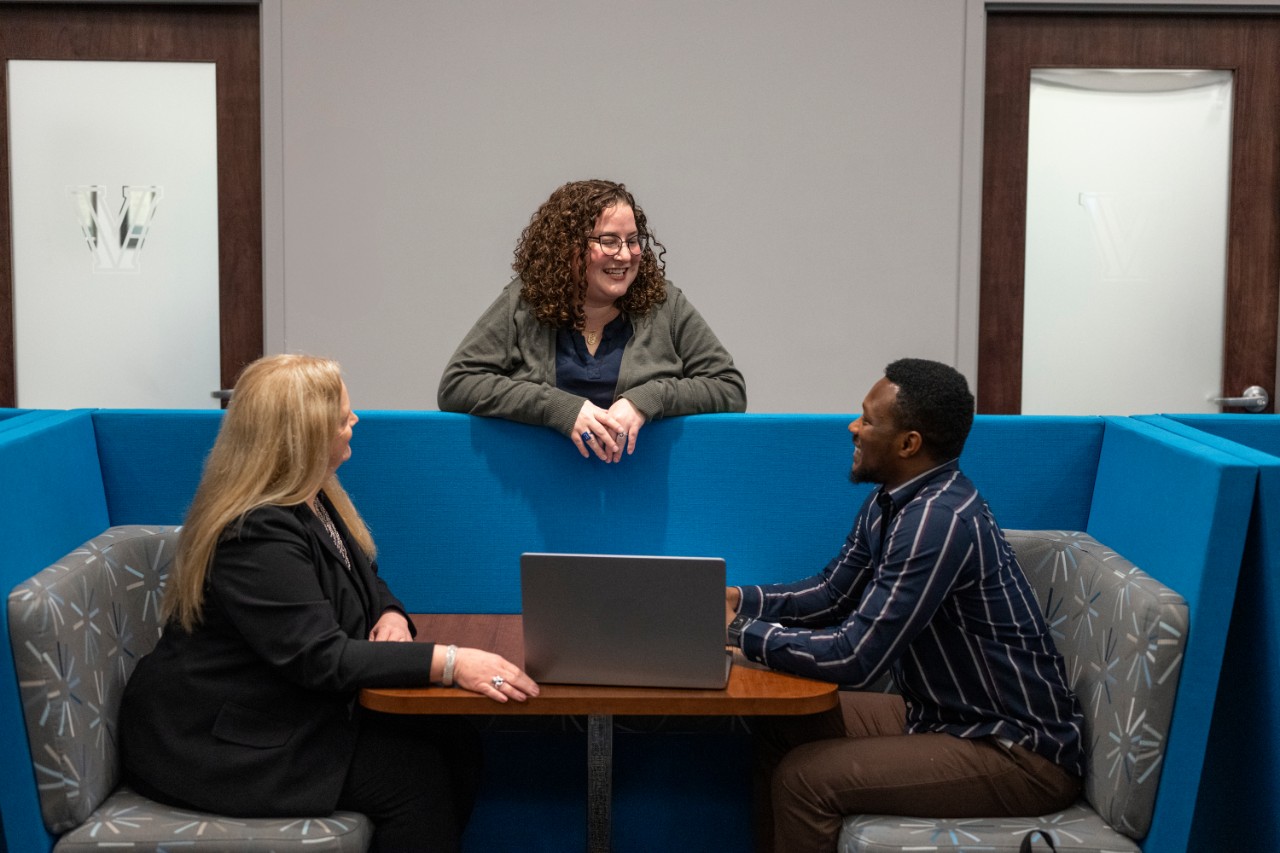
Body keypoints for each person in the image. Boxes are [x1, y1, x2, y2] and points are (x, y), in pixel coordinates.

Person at [119, 353, 538, 853]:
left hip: (282, 704)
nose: (355, 421)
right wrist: (451, 663)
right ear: (304, 434)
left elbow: (365, 579)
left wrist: (389, 615)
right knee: (413, 781)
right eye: (342, 417)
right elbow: (322, 659)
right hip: (216, 738)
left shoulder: (311, 498)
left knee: (456, 741)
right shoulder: (255, 532)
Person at [724, 358, 1084, 853]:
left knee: (804, 779)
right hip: (941, 719)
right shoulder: (891, 501)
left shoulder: (935, 520)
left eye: (868, 420)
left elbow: (855, 656)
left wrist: (740, 631)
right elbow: (833, 593)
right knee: (783, 727)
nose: (853, 427)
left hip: (1017, 752)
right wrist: (739, 599)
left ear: (908, 444)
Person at [438, 179, 746, 462]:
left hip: (645, 501)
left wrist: (647, 400)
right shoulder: (524, 301)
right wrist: (558, 408)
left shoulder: (665, 304)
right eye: (609, 241)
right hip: (539, 501)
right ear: (569, 247)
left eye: (633, 240)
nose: (625, 255)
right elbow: (458, 384)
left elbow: (729, 388)